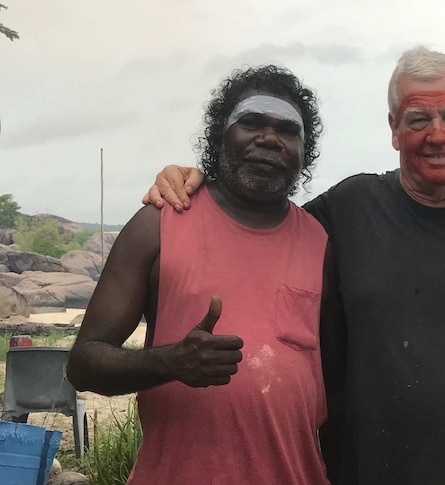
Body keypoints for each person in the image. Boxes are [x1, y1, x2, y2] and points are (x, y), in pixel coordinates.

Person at [142, 46, 445, 484]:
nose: (437, 134)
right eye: (418, 119)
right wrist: (200, 179)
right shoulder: (350, 209)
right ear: (394, 128)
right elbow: (259, 214)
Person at [66, 65, 331, 485]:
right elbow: (83, 364)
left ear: (304, 149)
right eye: (251, 122)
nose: (268, 138)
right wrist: (170, 361)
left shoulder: (321, 242)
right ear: (219, 137)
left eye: (287, 129)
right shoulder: (160, 224)